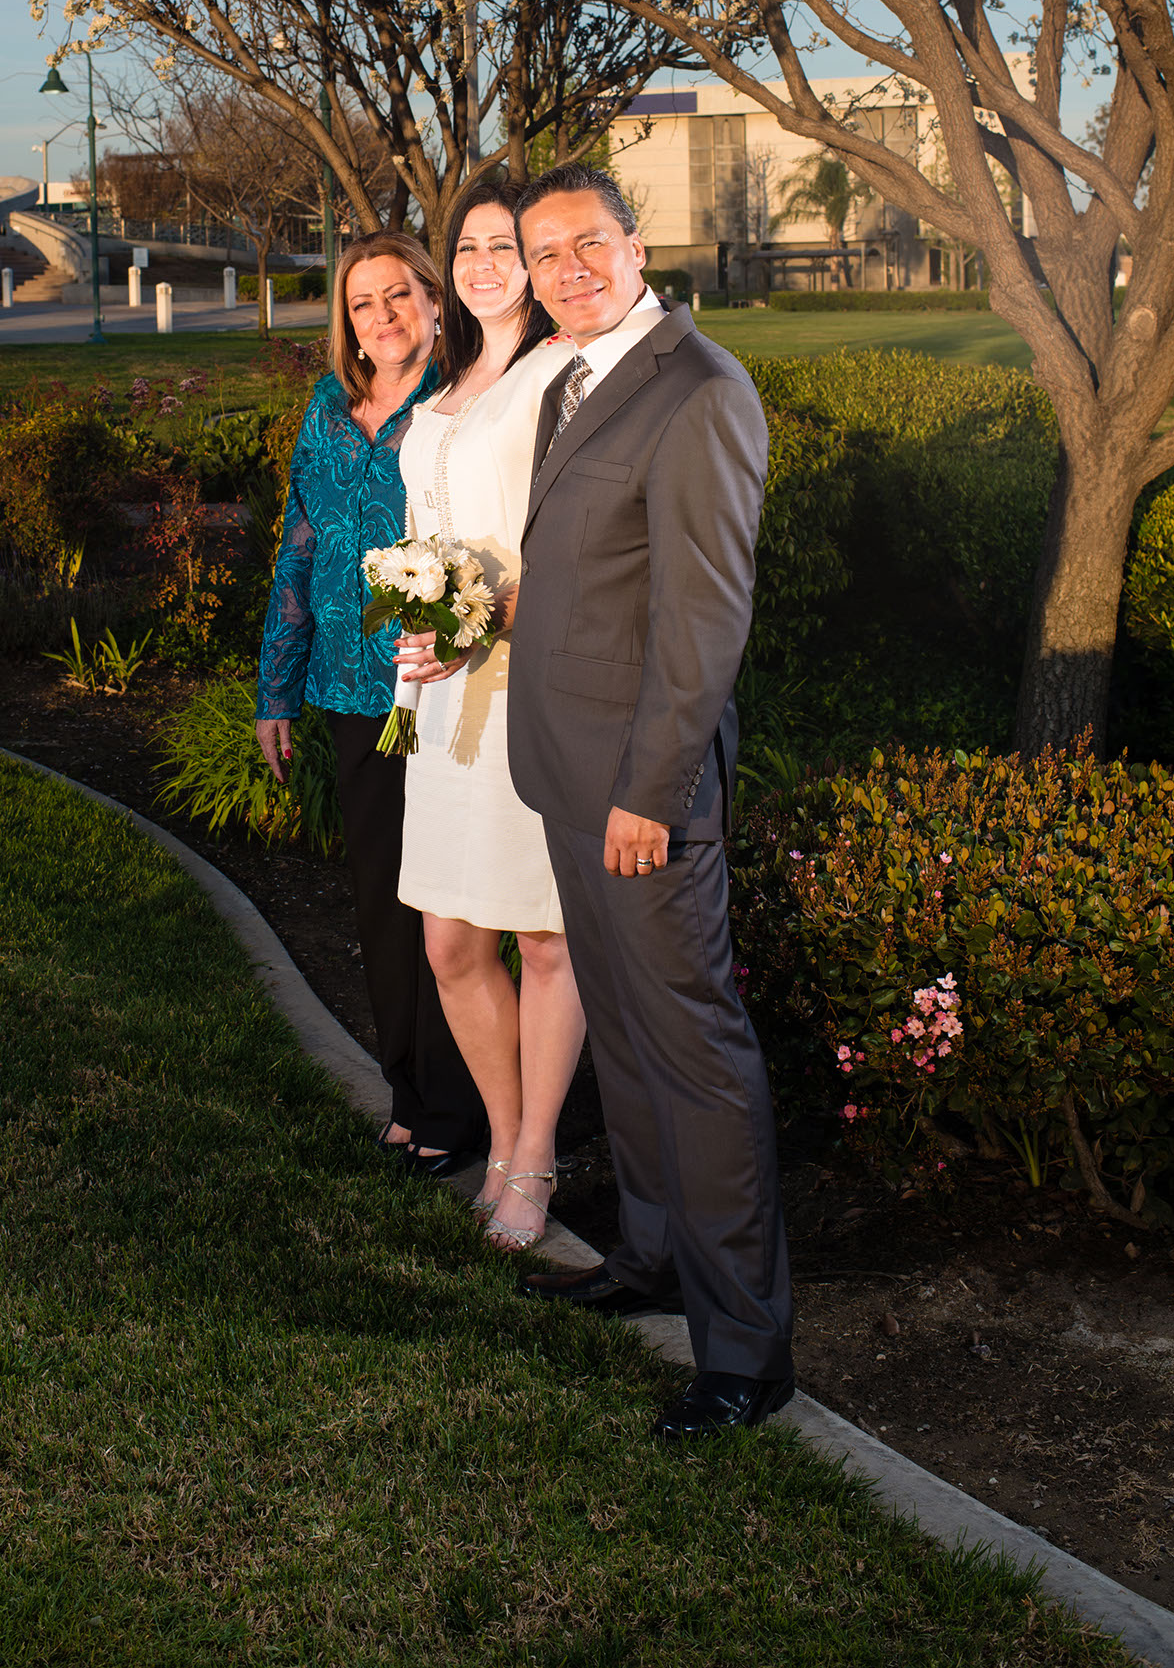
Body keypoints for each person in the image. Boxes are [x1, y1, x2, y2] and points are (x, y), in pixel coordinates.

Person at [506, 161, 794, 1441]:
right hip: (567, 772)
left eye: (587, 244)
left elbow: (702, 619)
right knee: (621, 1034)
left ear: (635, 246)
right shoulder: (571, 380)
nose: (565, 270)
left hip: (640, 792)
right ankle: (652, 1258)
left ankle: (743, 1353)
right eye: (543, 253)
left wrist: (651, 794)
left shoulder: (699, 390)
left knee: (692, 1055)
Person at [256, 231, 486, 1170]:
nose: (382, 316)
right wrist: (275, 688)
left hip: (442, 685)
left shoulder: (462, 399)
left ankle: (461, 1106)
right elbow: (297, 551)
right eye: (363, 302)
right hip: (353, 695)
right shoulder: (326, 409)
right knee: (384, 897)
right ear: (346, 322)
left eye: (398, 295)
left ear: (433, 300)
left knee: (450, 908)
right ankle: (408, 1090)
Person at [394, 176, 588, 1252]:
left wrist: (485, 615)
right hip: (441, 695)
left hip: (527, 682)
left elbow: (583, 542)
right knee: (450, 941)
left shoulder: (558, 372)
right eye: (466, 245)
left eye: (503, 245)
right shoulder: (448, 379)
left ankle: (534, 1156)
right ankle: (506, 1134)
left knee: (542, 934)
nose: (481, 263)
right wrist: (414, 610)